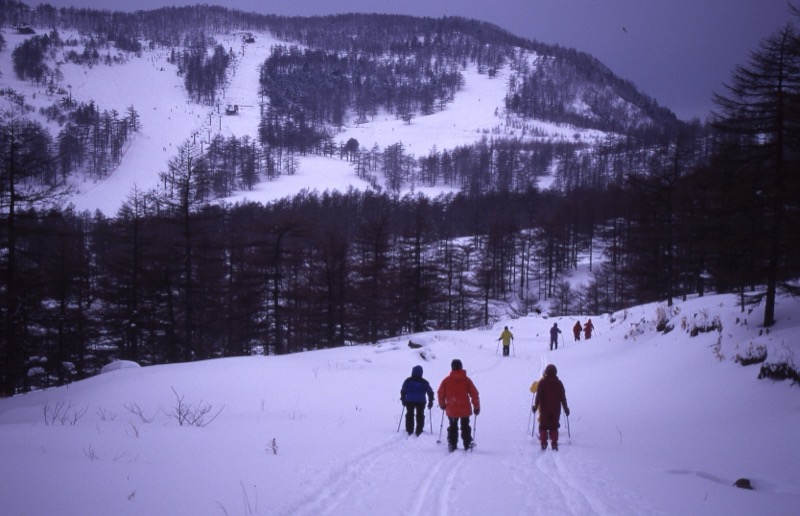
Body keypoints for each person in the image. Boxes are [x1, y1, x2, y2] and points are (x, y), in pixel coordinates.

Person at [438, 359, 480, 452]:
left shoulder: (446, 380)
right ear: (461, 366)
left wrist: (442, 404)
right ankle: (467, 444)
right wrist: (476, 407)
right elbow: (474, 394)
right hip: (464, 409)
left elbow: (440, 393)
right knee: (465, 426)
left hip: (452, 409)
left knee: (452, 427)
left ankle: (452, 445)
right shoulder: (466, 380)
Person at [532, 363, 570, 451]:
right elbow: (563, 398)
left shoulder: (542, 383)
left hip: (544, 409)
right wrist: (566, 408)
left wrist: (535, 406)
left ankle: (544, 443)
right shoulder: (559, 383)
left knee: (543, 426)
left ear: (546, 372)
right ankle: (554, 443)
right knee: (554, 426)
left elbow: (539, 396)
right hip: (556, 409)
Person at [400, 365, 435, 436]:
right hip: (421, 401)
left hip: (409, 400)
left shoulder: (408, 380)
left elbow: (403, 390)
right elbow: (430, 392)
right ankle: (419, 430)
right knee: (420, 415)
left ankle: (409, 429)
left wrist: (403, 398)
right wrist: (431, 401)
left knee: (409, 414)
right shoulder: (424, 382)